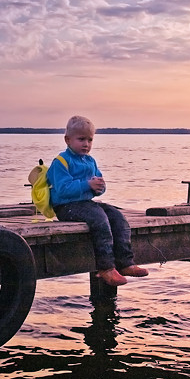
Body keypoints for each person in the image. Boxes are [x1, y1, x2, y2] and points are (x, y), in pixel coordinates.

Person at [47, 115, 148, 287]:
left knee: (117, 216)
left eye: (90, 140)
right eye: (81, 139)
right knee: (99, 220)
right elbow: (63, 189)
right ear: (68, 140)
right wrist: (87, 184)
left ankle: (125, 263)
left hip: (85, 203)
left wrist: (99, 187)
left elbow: (98, 185)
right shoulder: (61, 162)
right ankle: (106, 267)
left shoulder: (90, 161)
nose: (86, 144)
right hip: (66, 207)